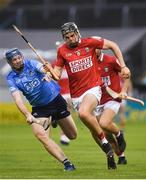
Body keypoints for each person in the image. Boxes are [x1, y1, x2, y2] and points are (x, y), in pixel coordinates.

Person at [45, 22, 130, 169]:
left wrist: (123, 66)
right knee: (94, 129)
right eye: (67, 37)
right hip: (76, 94)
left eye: (72, 35)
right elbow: (57, 74)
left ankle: (110, 142)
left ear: (77, 33)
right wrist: (49, 72)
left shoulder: (89, 42)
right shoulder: (62, 51)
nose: (70, 39)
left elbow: (113, 45)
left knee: (84, 113)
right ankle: (108, 150)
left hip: (93, 89)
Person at [5, 48, 77, 171]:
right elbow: (17, 99)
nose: (17, 61)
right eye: (14, 60)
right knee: (41, 135)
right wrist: (27, 114)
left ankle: (54, 119)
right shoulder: (11, 78)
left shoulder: (31, 63)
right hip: (39, 108)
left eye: (18, 58)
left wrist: (48, 73)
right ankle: (67, 163)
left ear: (22, 57)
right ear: (10, 63)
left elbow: (43, 69)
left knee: (72, 135)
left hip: (56, 100)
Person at [95, 49, 130, 165]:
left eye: (96, 48)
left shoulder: (110, 60)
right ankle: (121, 156)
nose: (93, 50)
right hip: (96, 100)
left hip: (113, 98)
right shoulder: (88, 63)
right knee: (106, 133)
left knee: (104, 123)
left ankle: (119, 133)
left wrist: (124, 91)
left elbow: (127, 75)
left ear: (100, 48)